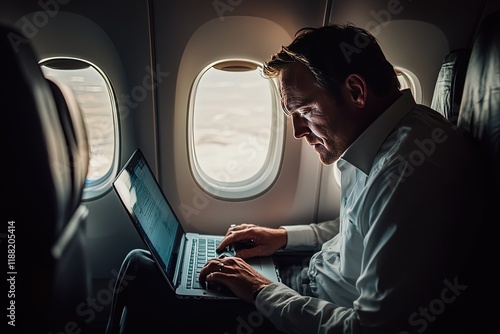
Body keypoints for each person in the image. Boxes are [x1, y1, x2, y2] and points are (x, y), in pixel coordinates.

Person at [105, 24, 487, 334]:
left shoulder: (408, 173)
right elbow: (357, 230)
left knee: (142, 273)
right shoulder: (393, 136)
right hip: (301, 287)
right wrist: (283, 238)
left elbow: (372, 328)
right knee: (155, 270)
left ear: (355, 91)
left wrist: (260, 291)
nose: (297, 132)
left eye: (304, 109)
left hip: (306, 313)